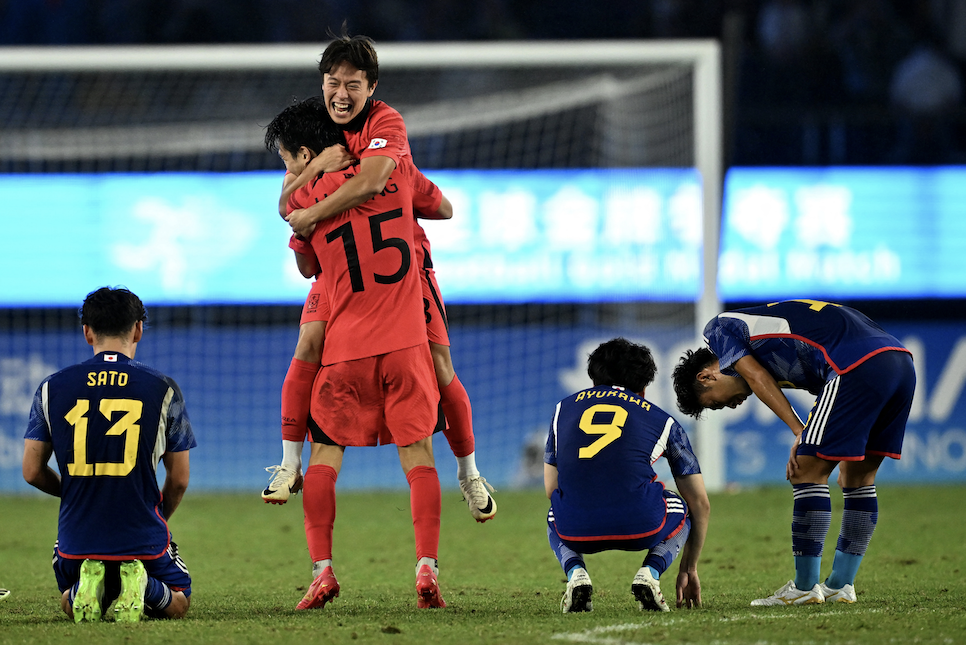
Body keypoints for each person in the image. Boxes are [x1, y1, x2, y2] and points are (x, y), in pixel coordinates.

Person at [271, 31, 497, 523]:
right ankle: (288, 465)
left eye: (353, 84)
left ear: (371, 86)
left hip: (404, 274)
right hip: (339, 273)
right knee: (308, 342)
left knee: (439, 365)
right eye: (333, 82)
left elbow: (413, 194)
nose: (341, 93)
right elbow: (286, 203)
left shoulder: (384, 122)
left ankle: (469, 471)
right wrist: (308, 179)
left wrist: (318, 211)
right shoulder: (318, 125)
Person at [276, 103, 447, 611]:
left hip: (345, 350)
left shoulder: (305, 195)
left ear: (306, 154)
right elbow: (443, 209)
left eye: (288, 161)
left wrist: (306, 183)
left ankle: (323, 571)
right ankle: (426, 566)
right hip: (404, 344)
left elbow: (307, 266)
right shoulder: (393, 171)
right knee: (419, 458)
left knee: (324, 459)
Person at [672, 299, 915, 606]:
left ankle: (803, 587)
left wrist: (799, 431)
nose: (729, 406)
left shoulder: (718, 329)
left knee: (805, 469)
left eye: (716, 403)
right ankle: (840, 584)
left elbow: (758, 378)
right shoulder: (782, 355)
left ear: (706, 377)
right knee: (859, 477)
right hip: (900, 361)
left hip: (854, 363)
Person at [21, 287, 196, 623]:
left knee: (66, 603)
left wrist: (74, 490)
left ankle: (82, 589)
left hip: (77, 539)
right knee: (179, 600)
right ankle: (144, 588)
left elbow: (31, 471)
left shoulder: (51, 387)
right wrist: (155, 516)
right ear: (138, 329)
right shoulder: (163, 388)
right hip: (142, 535)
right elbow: (180, 479)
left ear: (87, 332)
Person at [545, 338, 709, 613]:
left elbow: (552, 487)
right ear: (644, 387)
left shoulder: (562, 410)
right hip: (641, 526)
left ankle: (576, 574)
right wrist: (689, 568)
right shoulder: (663, 420)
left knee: (554, 511)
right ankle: (651, 572)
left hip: (576, 531)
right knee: (684, 505)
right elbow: (701, 503)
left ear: (593, 377)